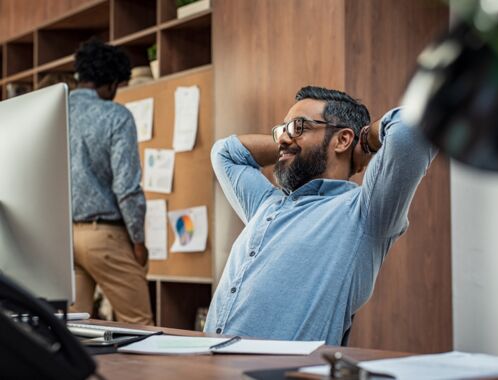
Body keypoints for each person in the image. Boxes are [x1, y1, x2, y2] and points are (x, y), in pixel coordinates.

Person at [204, 86, 436, 344]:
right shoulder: (267, 203)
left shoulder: (364, 213)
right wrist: (288, 143)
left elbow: (416, 127)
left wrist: (366, 141)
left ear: (343, 139)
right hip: (205, 365)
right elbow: (224, 153)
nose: (282, 138)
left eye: (299, 127)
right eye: (283, 129)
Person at [68, 38, 153, 325]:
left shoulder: (56, 112)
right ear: (112, 82)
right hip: (105, 236)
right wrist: (139, 241)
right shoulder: (116, 115)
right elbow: (126, 188)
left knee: (73, 331)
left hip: (64, 237)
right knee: (139, 327)